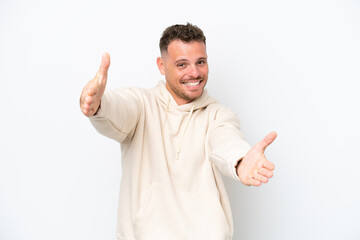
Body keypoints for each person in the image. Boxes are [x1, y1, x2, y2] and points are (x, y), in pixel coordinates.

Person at [79, 23, 276, 240]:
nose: (194, 72)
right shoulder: (142, 105)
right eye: (182, 64)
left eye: (201, 62)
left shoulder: (218, 115)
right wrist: (98, 105)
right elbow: (118, 109)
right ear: (162, 66)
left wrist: (239, 161)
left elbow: (225, 139)